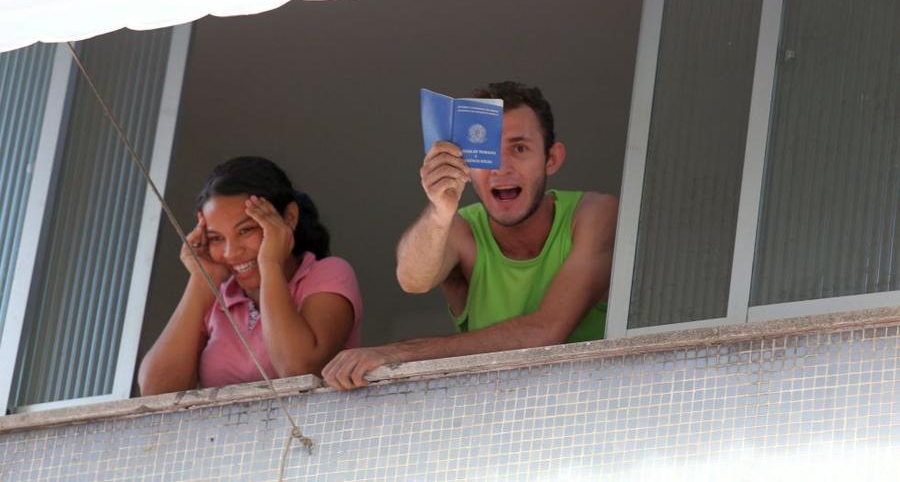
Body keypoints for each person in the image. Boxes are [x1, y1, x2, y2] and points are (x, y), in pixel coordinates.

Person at [323, 81, 616, 390]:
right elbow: (412, 279)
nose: (501, 168)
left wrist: (397, 353)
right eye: (487, 152)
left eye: (519, 148)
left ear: (551, 159)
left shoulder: (594, 213)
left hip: (591, 407)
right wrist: (439, 210)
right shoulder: (461, 227)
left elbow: (546, 331)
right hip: (492, 416)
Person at [139, 156, 362, 394]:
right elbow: (156, 391)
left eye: (246, 230)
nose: (231, 252)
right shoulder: (216, 299)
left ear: (289, 217)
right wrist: (202, 281)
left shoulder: (327, 273)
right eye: (216, 238)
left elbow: (298, 370)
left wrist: (270, 264)